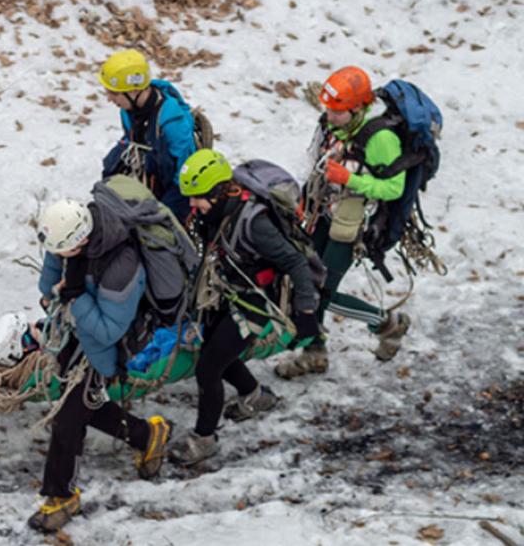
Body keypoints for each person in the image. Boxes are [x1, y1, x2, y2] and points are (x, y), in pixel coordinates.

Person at [168, 149, 321, 467]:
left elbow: (294, 261)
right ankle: (255, 395)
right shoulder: (216, 213)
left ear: (216, 191)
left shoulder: (253, 223)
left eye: (197, 198)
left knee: (208, 368)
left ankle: (204, 439)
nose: (192, 206)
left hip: (255, 302)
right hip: (229, 291)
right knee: (214, 351)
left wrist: (306, 312)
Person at [28, 198, 171, 532]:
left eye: (63, 252)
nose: (58, 258)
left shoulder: (122, 267)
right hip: (75, 335)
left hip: (103, 349)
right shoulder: (68, 238)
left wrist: (75, 298)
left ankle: (60, 496)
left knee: (67, 421)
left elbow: (109, 330)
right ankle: (148, 435)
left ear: (81, 241)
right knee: (84, 408)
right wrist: (61, 292)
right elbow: (47, 286)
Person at [275, 66, 411, 379]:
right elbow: (314, 162)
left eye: (337, 111)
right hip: (321, 214)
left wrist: (351, 178)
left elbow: (394, 188)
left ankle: (387, 325)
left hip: (353, 226)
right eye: (327, 109)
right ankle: (315, 352)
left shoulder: (381, 139)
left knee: (320, 293)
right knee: (305, 284)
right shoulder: (329, 126)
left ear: (359, 108)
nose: (329, 116)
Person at [98, 49, 196, 221]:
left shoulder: (171, 121)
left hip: (174, 183)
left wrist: (163, 212)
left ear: (134, 90)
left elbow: (184, 171)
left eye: (114, 93)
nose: (109, 98)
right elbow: (130, 140)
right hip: (150, 170)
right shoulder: (128, 110)